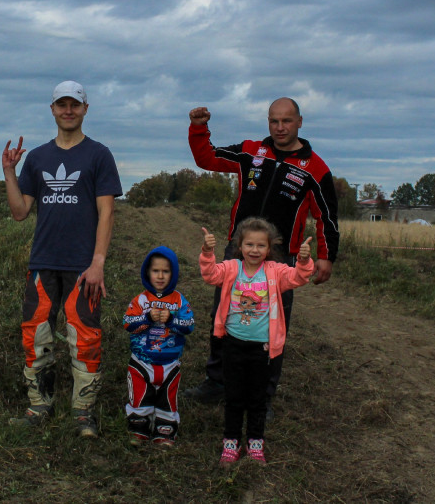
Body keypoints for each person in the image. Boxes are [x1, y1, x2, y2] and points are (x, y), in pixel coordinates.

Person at [184, 98, 339, 413]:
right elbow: (207, 158)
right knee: (225, 315)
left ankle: (262, 396)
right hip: (237, 252)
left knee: (272, 325)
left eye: (287, 121)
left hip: (280, 259)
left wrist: (326, 255)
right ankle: (217, 382)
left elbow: (327, 216)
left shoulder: (316, 168)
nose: (280, 128)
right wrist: (199, 128)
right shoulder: (250, 152)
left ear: (299, 122)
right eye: (274, 121)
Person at [2, 80, 122, 437]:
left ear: (85, 109)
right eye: (62, 105)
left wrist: (98, 262)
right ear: (52, 109)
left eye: (75, 105)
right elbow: (20, 212)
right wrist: (9, 172)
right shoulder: (38, 157)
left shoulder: (98, 155)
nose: (68, 111)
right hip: (43, 263)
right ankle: (39, 405)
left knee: (84, 337)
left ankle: (83, 412)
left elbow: (107, 212)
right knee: (35, 334)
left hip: (83, 267)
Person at [200, 219, 315, 465]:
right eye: (249, 244)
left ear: (269, 248)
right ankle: (231, 442)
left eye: (261, 245)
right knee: (233, 397)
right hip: (232, 344)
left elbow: (298, 277)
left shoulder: (275, 271)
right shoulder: (231, 268)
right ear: (239, 246)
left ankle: (255, 443)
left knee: (257, 398)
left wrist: (304, 260)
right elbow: (210, 275)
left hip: (262, 349)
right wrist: (208, 252)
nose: (254, 250)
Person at [122, 246, 194, 446]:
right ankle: (138, 428)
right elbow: (127, 323)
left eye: (166, 271)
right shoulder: (140, 300)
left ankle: (165, 430)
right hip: (142, 360)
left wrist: (171, 320)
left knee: (167, 397)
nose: (160, 276)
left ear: (174, 273)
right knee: (140, 395)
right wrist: (146, 318)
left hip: (170, 361)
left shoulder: (179, 300)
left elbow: (189, 325)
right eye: (156, 271)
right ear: (148, 272)